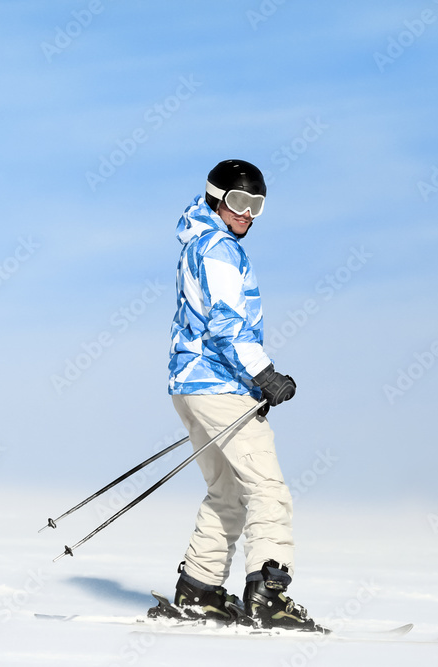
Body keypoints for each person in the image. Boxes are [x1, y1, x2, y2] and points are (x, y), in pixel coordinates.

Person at [162, 159, 324, 632]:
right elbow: (228, 323)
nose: (247, 213)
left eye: (256, 205)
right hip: (217, 383)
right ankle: (268, 598)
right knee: (267, 489)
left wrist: (253, 380)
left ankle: (200, 588)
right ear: (216, 198)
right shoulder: (219, 249)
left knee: (227, 491)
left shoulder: (199, 241)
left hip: (191, 384)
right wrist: (264, 374)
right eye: (238, 202)